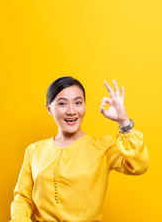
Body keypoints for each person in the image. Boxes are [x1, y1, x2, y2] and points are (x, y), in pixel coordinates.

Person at [9, 76, 149, 222]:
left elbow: (139, 166)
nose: (71, 111)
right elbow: (23, 197)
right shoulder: (34, 150)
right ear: (49, 108)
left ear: (85, 106)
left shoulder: (102, 147)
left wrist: (123, 121)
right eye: (62, 104)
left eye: (78, 103)